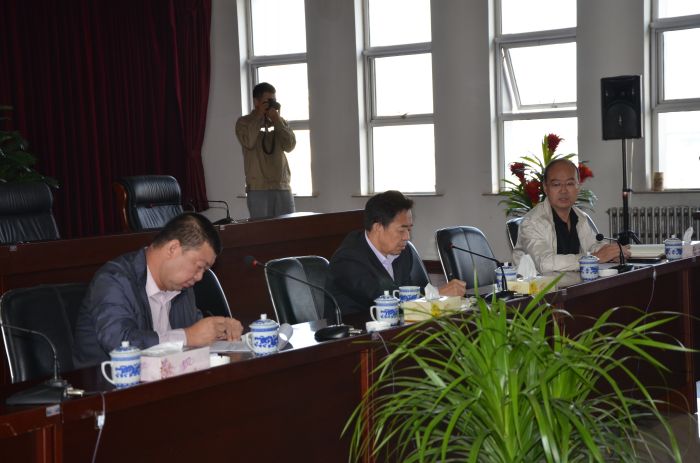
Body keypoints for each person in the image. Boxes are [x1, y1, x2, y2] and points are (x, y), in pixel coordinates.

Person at [73, 213, 243, 368]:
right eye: (199, 267)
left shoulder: (183, 287)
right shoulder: (114, 280)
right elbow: (119, 343)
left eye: (204, 271)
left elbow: (195, 332)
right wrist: (188, 337)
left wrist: (221, 331)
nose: (199, 277)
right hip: (107, 386)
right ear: (173, 248)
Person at [327, 190, 466, 315]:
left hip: (394, 326)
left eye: (409, 229)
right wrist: (437, 294)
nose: (407, 237)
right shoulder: (348, 260)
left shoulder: (403, 252)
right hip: (356, 331)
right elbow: (386, 299)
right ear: (378, 227)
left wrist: (438, 295)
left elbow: (411, 293)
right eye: (401, 230)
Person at [512, 159, 630, 273]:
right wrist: (595, 258)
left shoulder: (580, 217)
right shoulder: (532, 222)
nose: (564, 190)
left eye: (570, 183)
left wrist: (613, 253)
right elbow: (545, 263)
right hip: (537, 285)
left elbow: (592, 245)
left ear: (578, 186)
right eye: (556, 184)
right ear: (545, 188)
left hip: (574, 282)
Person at [235, 82, 296, 218]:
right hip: (258, 188)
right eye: (267, 101)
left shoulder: (279, 121)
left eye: (273, 100)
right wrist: (259, 117)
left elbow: (290, 145)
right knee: (262, 229)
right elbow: (249, 142)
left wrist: (277, 120)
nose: (271, 104)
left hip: (282, 186)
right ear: (256, 102)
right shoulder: (244, 122)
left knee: (288, 228)